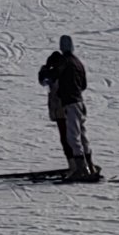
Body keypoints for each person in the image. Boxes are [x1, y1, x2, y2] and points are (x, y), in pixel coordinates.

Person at [38, 36, 98, 179]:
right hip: (79, 101)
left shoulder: (64, 62)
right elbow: (83, 84)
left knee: (72, 136)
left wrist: (45, 70)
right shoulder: (78, 62)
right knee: (82, 135)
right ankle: (89, 165)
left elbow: (50, 77)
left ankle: (80, 168)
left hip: (69, 102)